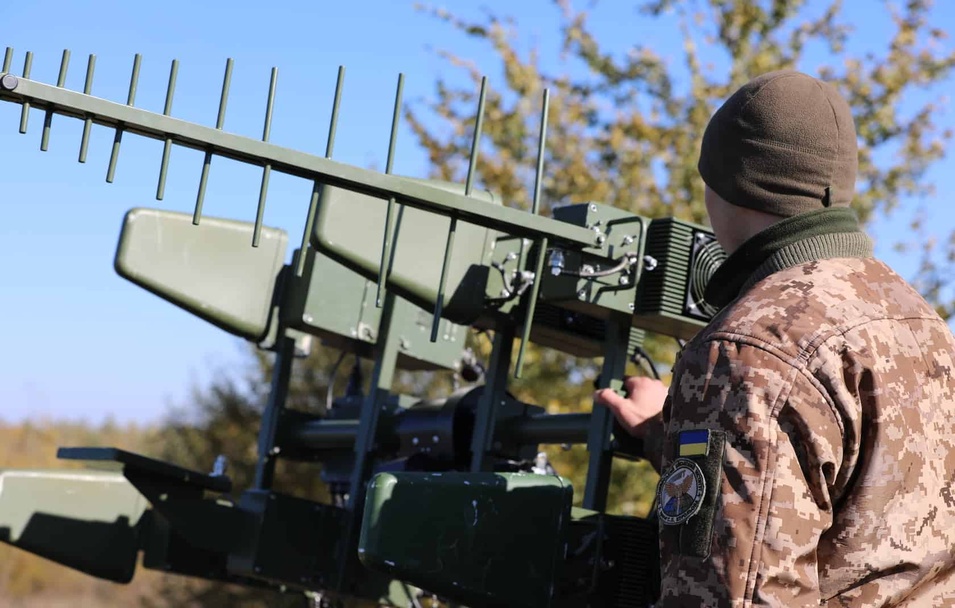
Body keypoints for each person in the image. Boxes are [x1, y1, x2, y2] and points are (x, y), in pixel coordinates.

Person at [595, 70, 955, 606]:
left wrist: (711, 399)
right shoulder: (920, 323)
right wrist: (667, 432)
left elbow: (736, 594)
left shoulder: (746, 350)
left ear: (727, 185)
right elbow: (863, 501)